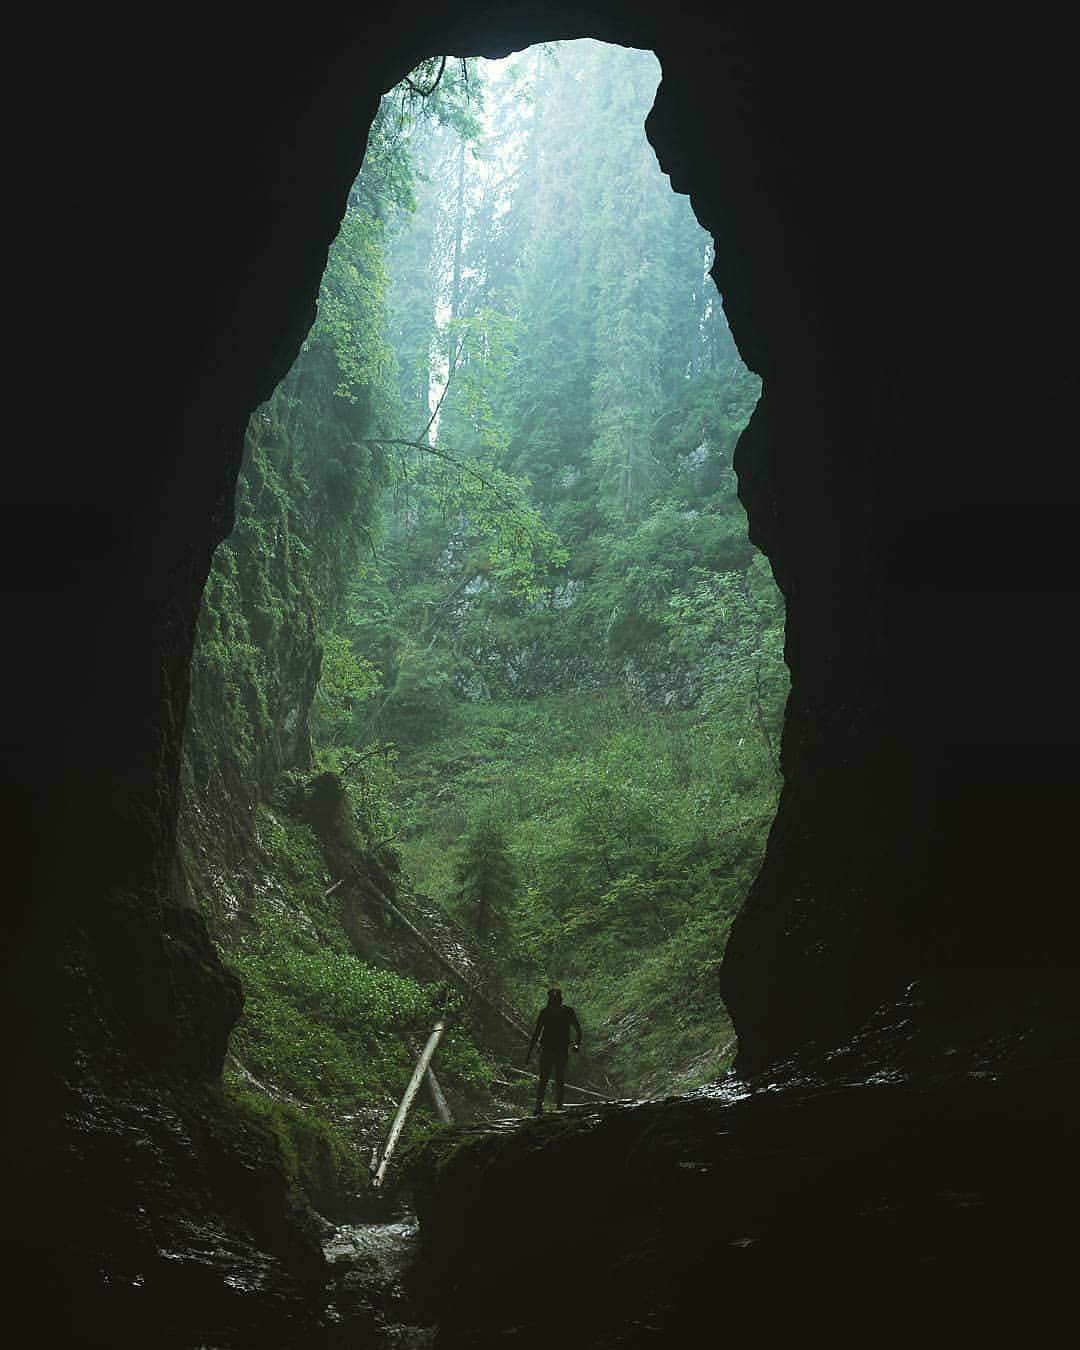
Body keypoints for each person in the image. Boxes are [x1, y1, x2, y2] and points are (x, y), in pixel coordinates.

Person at [524, 987, 582, 1114]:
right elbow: (536, 1033)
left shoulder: (565, 1011)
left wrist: (577, 1044)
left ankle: (554, 1108)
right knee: (548, 1080)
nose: (554, 1002)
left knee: (555, 1080)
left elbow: (579, 1031)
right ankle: (541, 1108)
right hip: (550, 1050)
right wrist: (529, 1053)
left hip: (558, 1051)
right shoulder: (548, 1012)